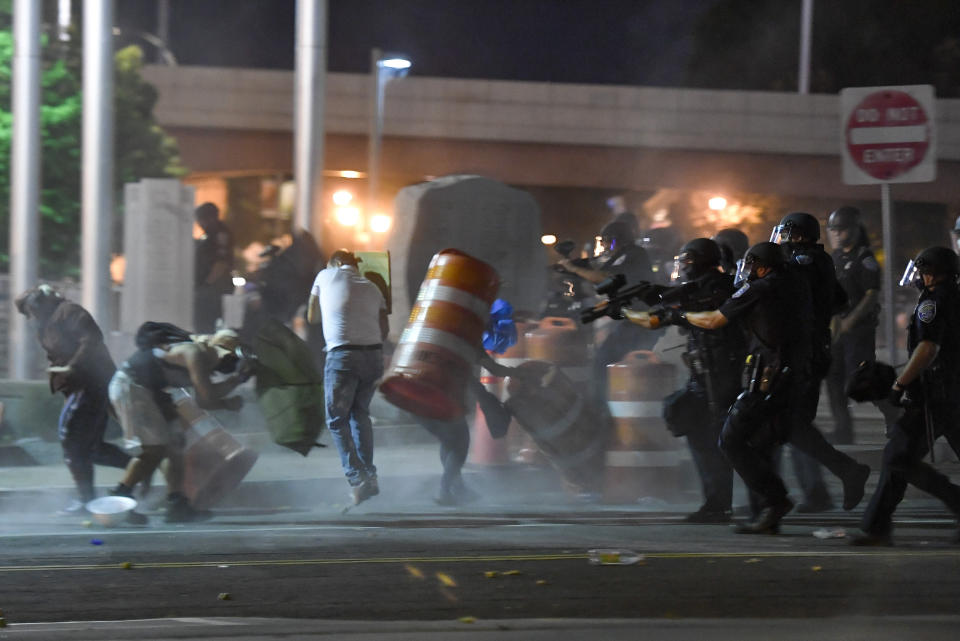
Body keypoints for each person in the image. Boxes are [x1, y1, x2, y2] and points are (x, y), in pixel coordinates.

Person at [677, 242, 812, 534]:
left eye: (751, 266)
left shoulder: (760, 288)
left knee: (731, 439)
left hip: (768, 376)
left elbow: (714, 320)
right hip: (793, 375)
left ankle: (776, 500)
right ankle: (766, 513)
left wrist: (681, 314)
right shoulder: (796, 285)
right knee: (760, 444)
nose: (746, 272)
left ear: (762, 266)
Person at [624, 238, 744, 523]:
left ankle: (727, 502)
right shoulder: (700, 285)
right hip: (704, 373)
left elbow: (701, 312)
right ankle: (717, 501)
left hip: (721, 375)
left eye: (686, 261)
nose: (682, 267)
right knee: (688, 421)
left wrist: (673, 314)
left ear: (697, 261)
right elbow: (671, 298)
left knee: (718, 437)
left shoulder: (719, 287)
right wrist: (634, 301)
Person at [853, 247, 960, 546]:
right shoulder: (954, 296)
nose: (919, 277)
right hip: (951, 392)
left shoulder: (934, 302)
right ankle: (876, 526)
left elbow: (928, 348)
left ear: (933, 272)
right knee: (899, 458)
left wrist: (900, 384)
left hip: (934, 395)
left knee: (898, 458)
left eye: (923, 270)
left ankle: (876, 527)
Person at [771, 212, 870, 514]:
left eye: (787, 235)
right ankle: (817, 490)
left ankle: (839, 475)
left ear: (799, 236)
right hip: (811, 354)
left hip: (802, 356)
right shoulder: (821, 261)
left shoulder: (803, 263)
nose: (783, 241)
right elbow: (839, 300)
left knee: (791, 425)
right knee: (793, 424)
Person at [109, 326, 248, 523]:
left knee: (175, 447)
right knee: (153, 450)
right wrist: (228, 401)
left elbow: (204, 396)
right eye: (228, 359)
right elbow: (207, 398)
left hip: (151, 393)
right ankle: (120, 501)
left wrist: (238, 380)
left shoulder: (201, 356)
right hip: (132, 388)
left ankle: (177, 505)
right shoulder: (194, 353)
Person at [14, 285, 132, 515]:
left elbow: (92, 339)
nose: (31, 316)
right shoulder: (44, 326)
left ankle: (86, 500)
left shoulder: (69, 311)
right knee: (92, 448)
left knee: (71, 438)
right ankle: (137, 470)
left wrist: (73, 366)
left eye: (31, 310)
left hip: (91, 382)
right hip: (75, 387)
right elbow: (55, 355)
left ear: (42, 302)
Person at [308, 250, 389, 505]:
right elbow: (384, 329)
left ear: (336, 263)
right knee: (359, 414)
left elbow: (312, 317)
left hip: (343, 356)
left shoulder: (324, 275)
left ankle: (357, 478)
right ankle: (370, 476)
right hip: (373, 356)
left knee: (336, 419)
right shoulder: (374, 287)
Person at [557, 219, 655, 409]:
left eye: (607, 241)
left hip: (639, 322)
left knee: (603, 364)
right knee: (607, 362)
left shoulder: (633, 254)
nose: (604, 247)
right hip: (631, 320)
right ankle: (609, 412)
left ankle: (602, 414)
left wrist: (574, 268)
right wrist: (576, 267)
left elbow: (607, 277)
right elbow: (598, 270)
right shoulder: (623, 256)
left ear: (616, 240)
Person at [825, 206, 888, 444]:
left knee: (860, 379)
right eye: (834, 230)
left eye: (841, 230)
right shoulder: (834, 259)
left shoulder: (865, 259)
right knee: (833, 379)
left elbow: (871, 295)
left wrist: (850, 322)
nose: (837, 234)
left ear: (853, 230)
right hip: (838, 331)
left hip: (859, 331)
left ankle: (895, 416)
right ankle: (843, 429)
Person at [194, 202, 234, 333]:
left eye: (200, 220)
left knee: (205, 325)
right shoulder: (209, 235)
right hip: (209, 288)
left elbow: (221, 263)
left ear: (210, 218)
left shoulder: (220, 234)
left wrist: (206, 285)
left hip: (214, 289)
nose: (199, 223)